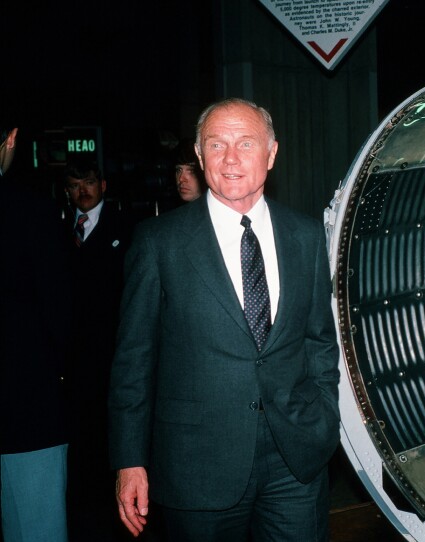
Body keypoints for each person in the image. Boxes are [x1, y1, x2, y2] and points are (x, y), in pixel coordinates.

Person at [109, 98, 341, 541]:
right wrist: (128, 460)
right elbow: (133, 360)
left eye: (245, 143)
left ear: (271, 154)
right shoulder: (160, 243)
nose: (231, 158)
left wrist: (324, 419)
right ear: (199, 156)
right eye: (216, 145)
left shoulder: (306, 235)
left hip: (296, 461)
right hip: (196, 464)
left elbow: (319, 341)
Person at [0, 125, 73, 542]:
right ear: (11, 140)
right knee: (35, 527)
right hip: (24, 406)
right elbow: (58, 311)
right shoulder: (31, 211)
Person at [63, 159, 132, 540]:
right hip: (75, 362)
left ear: (103, 184)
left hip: (113, 354)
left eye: (88, 182)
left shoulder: (127, 228)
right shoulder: (61, 231)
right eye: (74, 185)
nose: (82, 191)